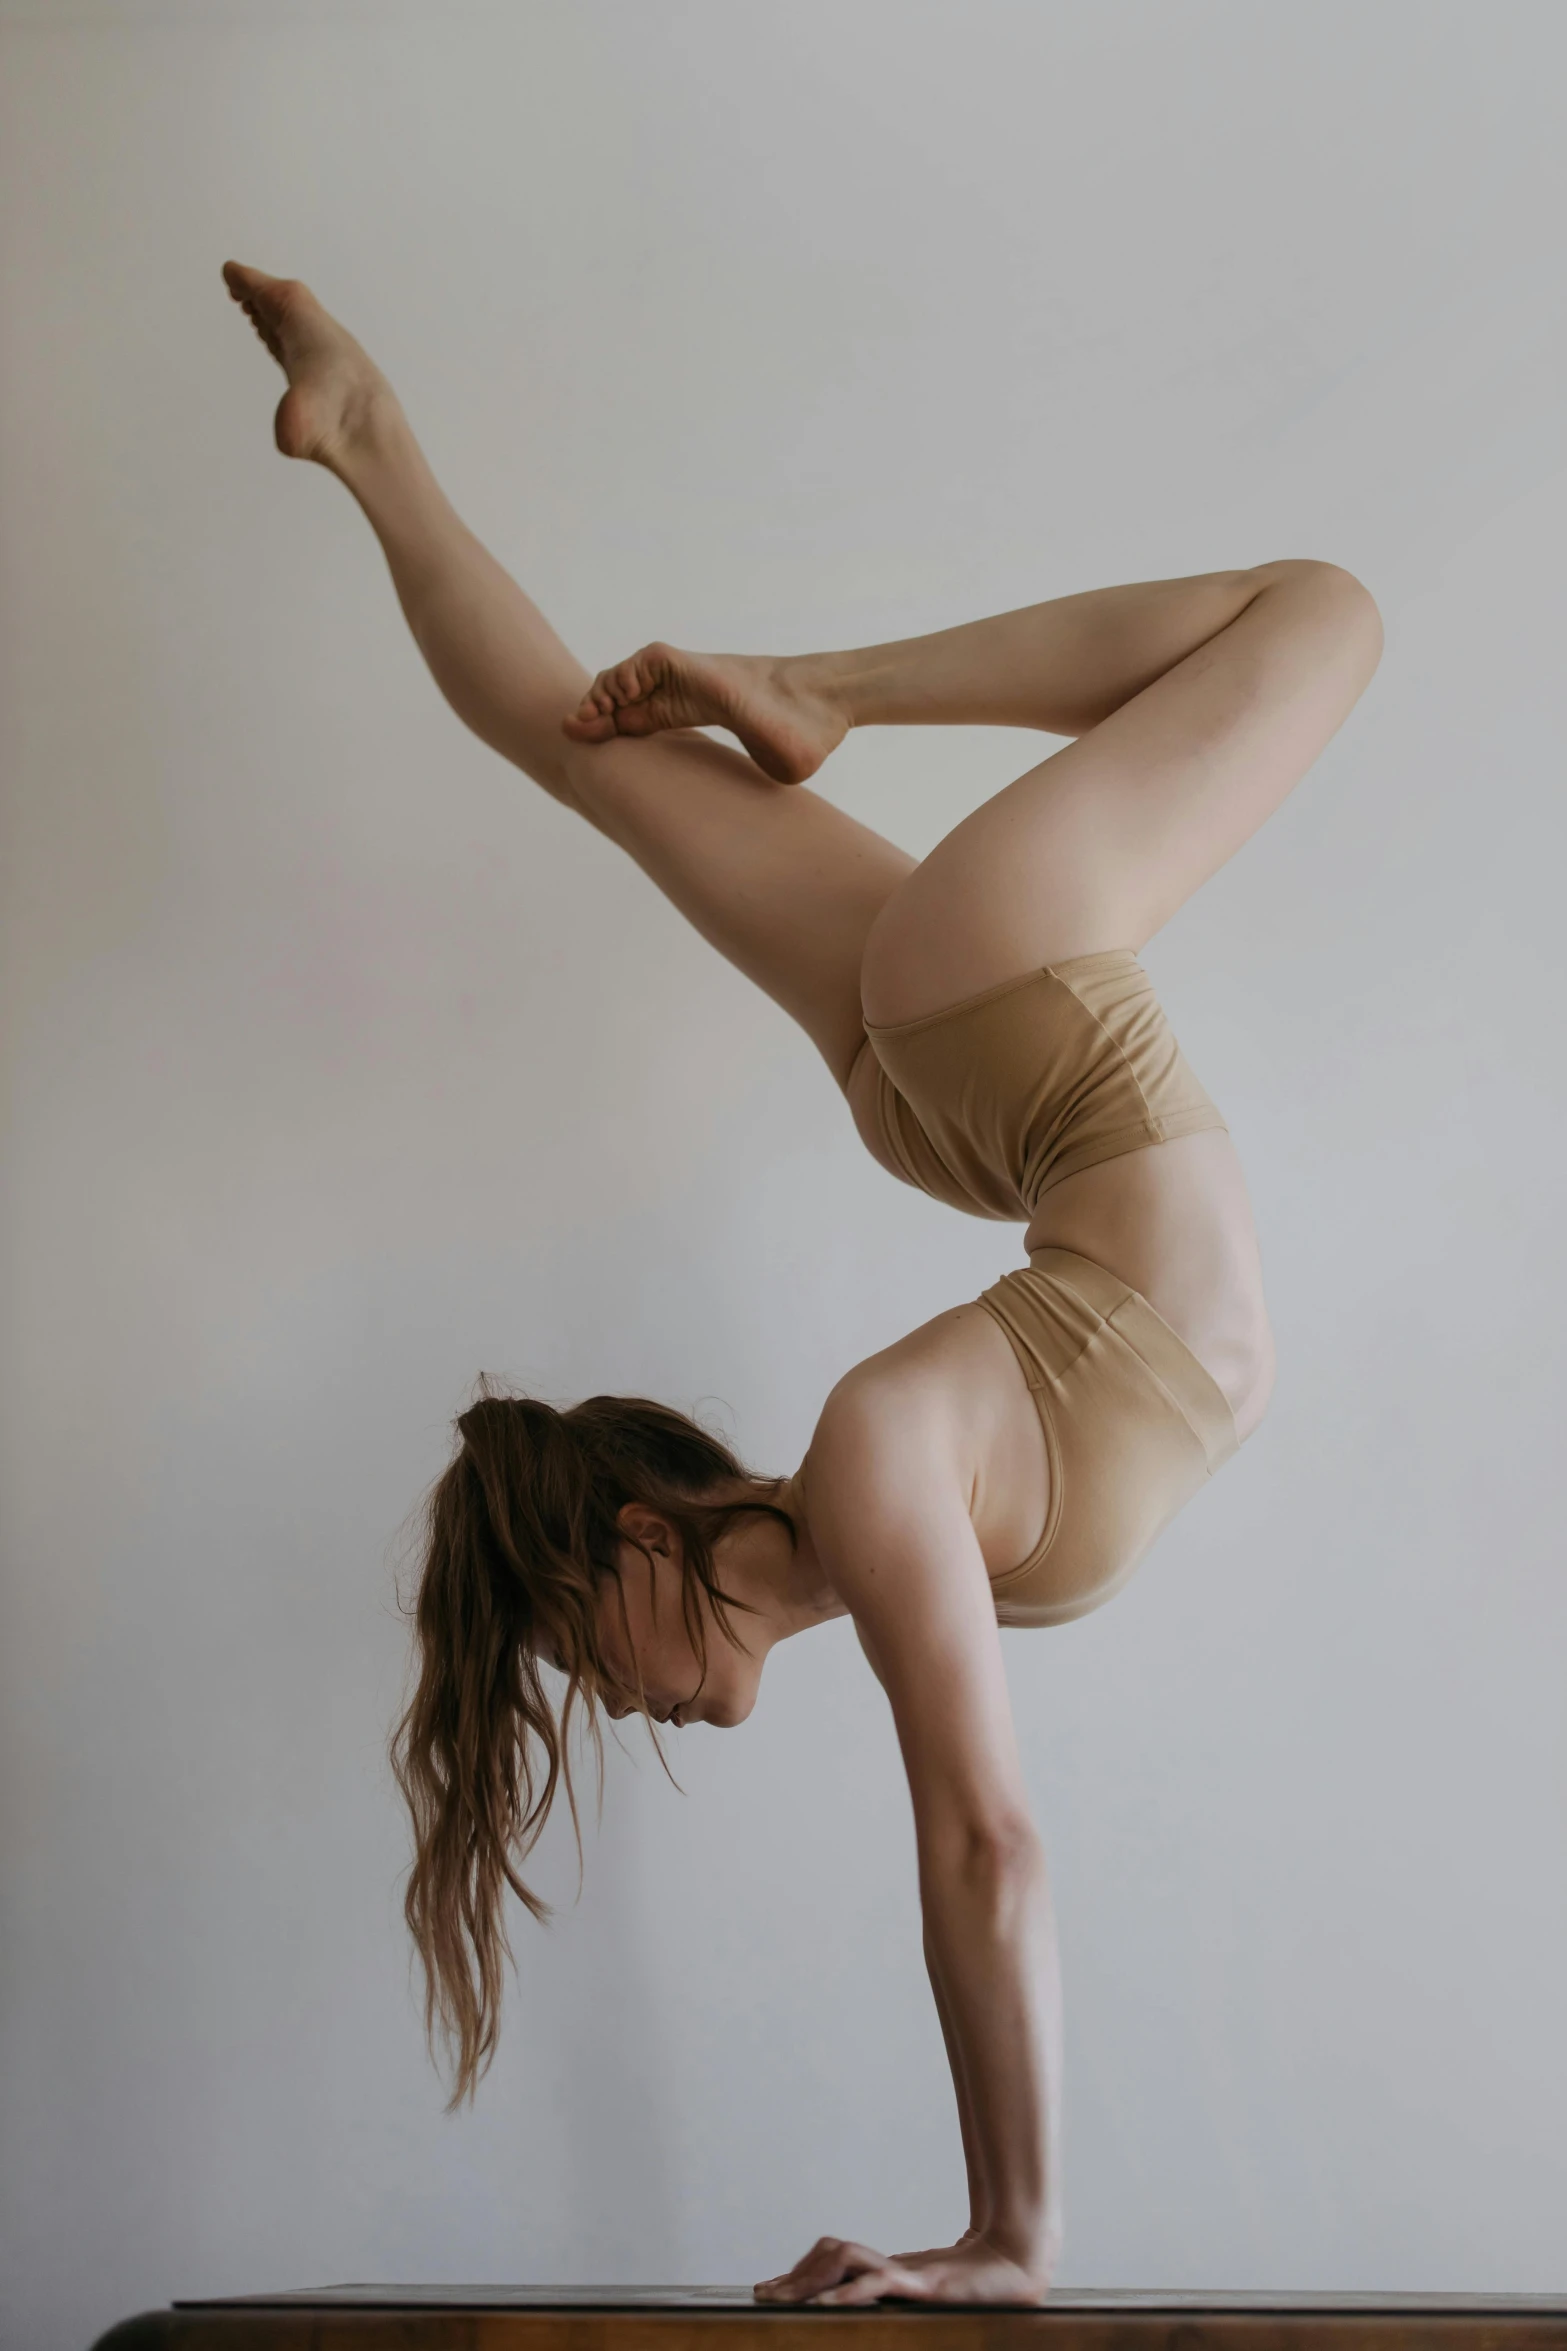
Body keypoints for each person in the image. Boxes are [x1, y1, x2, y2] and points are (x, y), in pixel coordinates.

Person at [222, 261, 1383, 2308]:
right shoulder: (887, 1485)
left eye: (587, 1646)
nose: (625, 1701)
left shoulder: (871, 1462)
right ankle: (369, 432)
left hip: (1007, 1015)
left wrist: (1008, 2237)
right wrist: (367, 448)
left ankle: (832, 679)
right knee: (578, 748)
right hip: (953, 1075)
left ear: (650, 1534)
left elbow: (984, 1844)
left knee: (1327, 613)